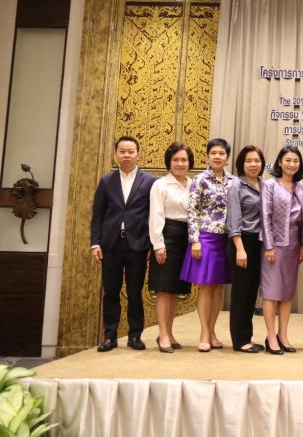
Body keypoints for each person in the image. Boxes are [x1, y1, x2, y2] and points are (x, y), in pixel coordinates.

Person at [91, 135, 156, 352]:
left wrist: (151, 244)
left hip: (137, 245)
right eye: (122, 151)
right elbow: (98, 215)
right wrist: (95, 243)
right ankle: (110, 336)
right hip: (110, 245)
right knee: (111, 291)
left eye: (130, 151)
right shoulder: (106, 181)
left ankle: (135, 335)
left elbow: (154, 215)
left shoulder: (150, 182)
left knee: (135, 292)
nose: (126, 155)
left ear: (138, 154)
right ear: (115, 154)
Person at [180, 138, 233, 352]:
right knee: (205, 285)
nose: (217, 157)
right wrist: (195, 240)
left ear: (227, 157)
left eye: (221, 153)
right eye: (214, 153)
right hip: (206, 238)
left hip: (226, 239)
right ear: (208, 156)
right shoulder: (199, 180)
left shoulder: (233, 181)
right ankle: (203, 332)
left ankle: (212, 331)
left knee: (219, 286)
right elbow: (192, 211)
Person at [148, 142, 194, 353]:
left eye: (184, 159)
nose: (180, 163)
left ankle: (169, 332)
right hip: (167, 237)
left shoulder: (193, 184)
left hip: (187, 238)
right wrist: (158, 245)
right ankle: (163, 334)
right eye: (176, 159)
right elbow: (155, 215)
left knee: (175, 290)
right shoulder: (160, 185)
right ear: (169, 162)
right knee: (164, 288)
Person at [261, 145, 303, 355]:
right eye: (288, 160)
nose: (291, 164)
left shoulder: (300, 187)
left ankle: (283, 334)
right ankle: (271, 336)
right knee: (271, 292)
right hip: (274, 246)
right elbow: (265, 216)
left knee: (287, 292)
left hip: (293, 246)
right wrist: (269, 246)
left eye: (295, 161)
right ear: (280, 162)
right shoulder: (269, 185)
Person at [226, 145, 267, 354]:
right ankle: (240, 340)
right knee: (241, 293)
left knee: (252, 293)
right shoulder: (236, 185)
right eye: (249, 161)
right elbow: (233, 219)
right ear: (241, 164)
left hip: (259, 243)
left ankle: (247, 337)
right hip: (242, 242)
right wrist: (240, 249)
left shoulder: (264, 185)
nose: (253, 164)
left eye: (257, 161)